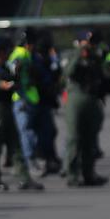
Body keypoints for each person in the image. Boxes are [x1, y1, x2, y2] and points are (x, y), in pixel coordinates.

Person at [0, 35, 42, 191]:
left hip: (7, 107)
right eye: (6, 51)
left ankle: (24, 178)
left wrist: (16, 77)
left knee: (15, 144)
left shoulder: (7, 67)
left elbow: (16, 82)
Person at [63, 41, 110, 187]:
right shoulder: (72, 57)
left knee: (90, 139)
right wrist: (78, 55)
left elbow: (104, 76)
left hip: (92, 99)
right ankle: (72, 174)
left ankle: (88, 173)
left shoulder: (95, 59)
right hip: (75, 99)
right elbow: (68, 72)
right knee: (74, 138)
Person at [8, 28, 42, 172]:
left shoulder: (20, 54)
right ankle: (29, 161)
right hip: (24, 98)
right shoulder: (22, 56)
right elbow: (19, 78)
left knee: (26, 131)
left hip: (25, 98)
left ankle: (25, 161)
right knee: (26, 131)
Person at [32, 34, 63, 174]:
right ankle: (43, 158)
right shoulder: (38, 62)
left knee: (50, 131)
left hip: (45, 101)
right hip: (39, 102)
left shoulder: (46, 61)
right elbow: (47, 81)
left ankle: (50, 157)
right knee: (44, 132)